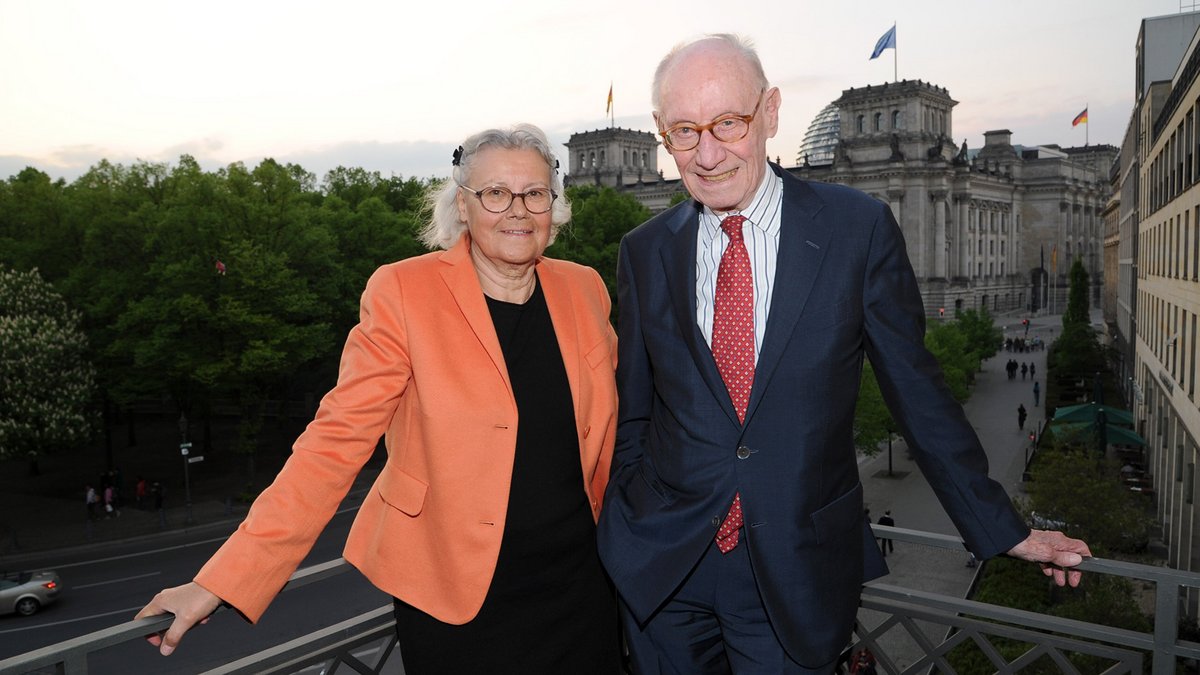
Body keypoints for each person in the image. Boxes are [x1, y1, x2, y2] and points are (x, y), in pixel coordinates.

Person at [595, 34, 1091, 674]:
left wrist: (1003, 527)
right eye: (684, 132)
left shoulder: (854, 227)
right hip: (664, 574)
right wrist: (628, 528)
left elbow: (916, 391)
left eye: (728, 123)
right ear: (661, 134)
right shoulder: (645, 248)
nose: (708, 154)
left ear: (770, 113)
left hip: (793, 571)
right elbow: (635, 408)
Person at [136, 124, 621, 674]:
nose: (517, 210)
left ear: (553, 204)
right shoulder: (403, 292)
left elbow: (619, 429)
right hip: (457, 600)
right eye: (495, 193)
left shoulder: (583, 289)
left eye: (535, 193)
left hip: (580, 588)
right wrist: (221, 580)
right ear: (463, 204)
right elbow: (333, 444)